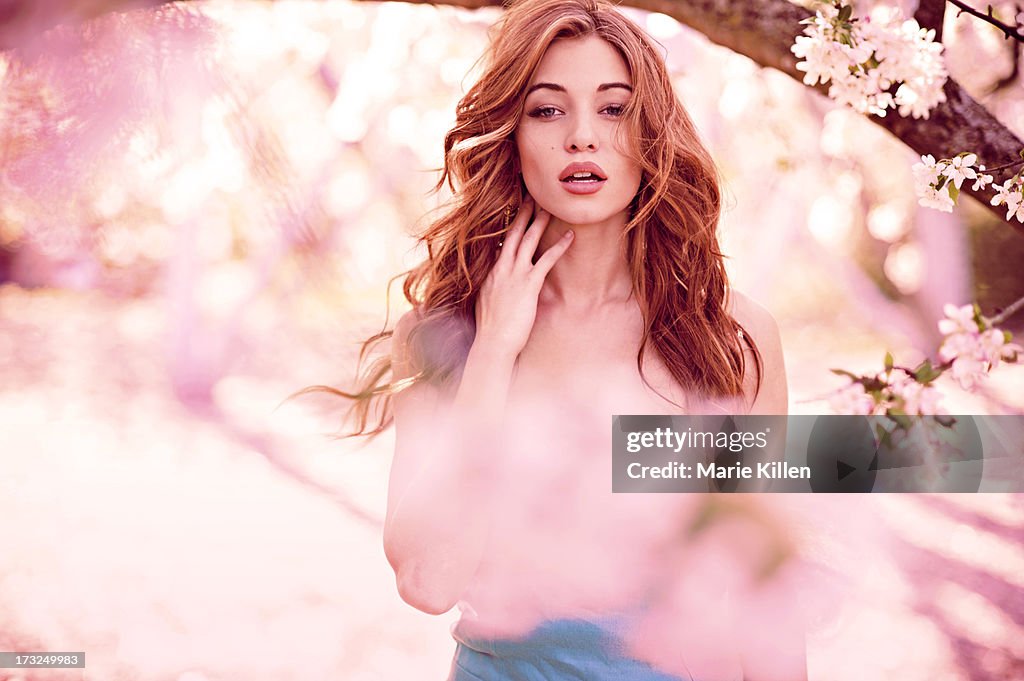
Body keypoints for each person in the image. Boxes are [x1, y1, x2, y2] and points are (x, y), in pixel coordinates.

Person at [325, 0, 796, 677]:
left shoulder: (731, 339)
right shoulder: (441, 337)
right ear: (509, 135)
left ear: (651, 132)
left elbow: (763, 598)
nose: (582, 137)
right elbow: (429, 582)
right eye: (547, 110)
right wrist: (492, 353)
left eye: (613, 109)